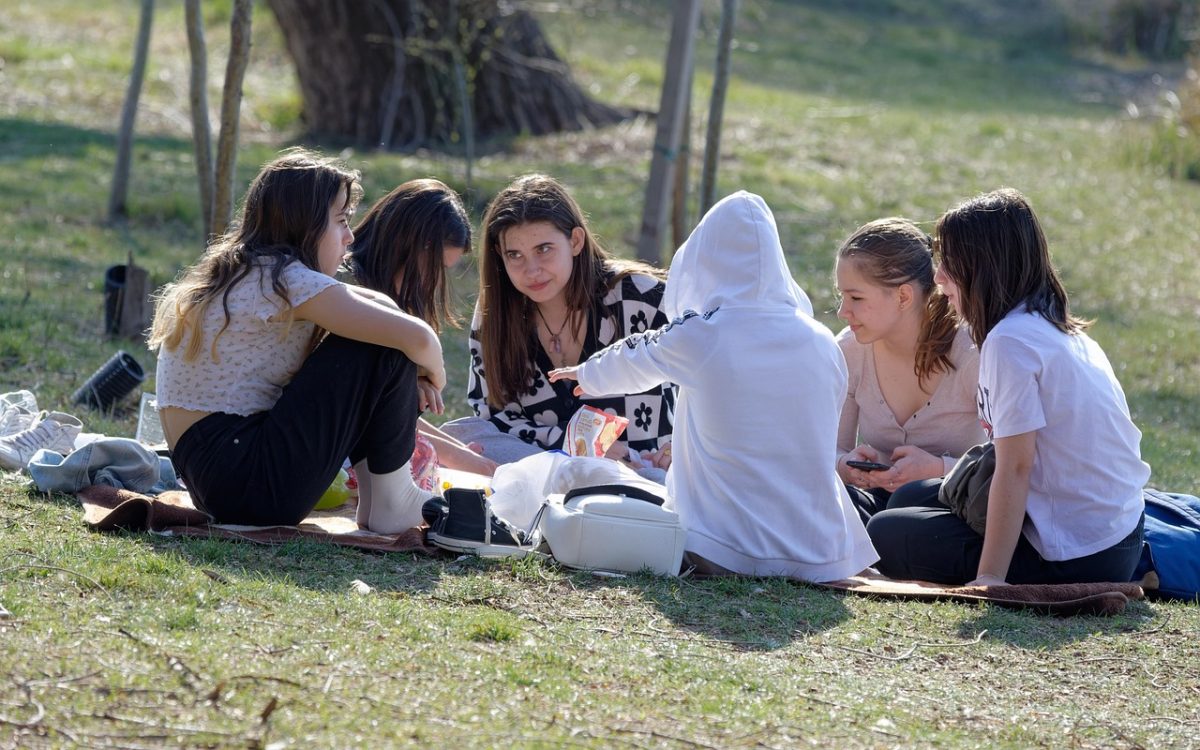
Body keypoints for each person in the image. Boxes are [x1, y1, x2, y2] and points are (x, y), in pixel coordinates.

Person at [550, 191, 878, 581]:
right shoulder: (821, 340)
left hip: (722, 549)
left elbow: (637, 358)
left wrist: (586, 374)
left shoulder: (704, 334)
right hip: (817, 553)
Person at [148, 149, 445, 534]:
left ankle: (381, 500)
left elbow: (385, 308)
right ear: (302, 227)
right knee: (382, 342)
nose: (350, 237)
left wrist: (410, 366)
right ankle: (393, 499)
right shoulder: (285, 278)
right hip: (248, 476)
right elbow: (417, 336)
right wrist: (432, 373)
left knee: (382, 333)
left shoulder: (250, 270)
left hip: (219, 479)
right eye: (340, 222)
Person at [867, 188, 1148, 585]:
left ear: (983, 266)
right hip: (1116, 535)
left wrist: (991, 578)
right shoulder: (1045, 324)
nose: (938, 276)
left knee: (886, 533)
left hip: (1077, 552)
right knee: (908, 498)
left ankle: (1002, 566)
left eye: (950, 261)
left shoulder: (1011, 342)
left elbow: (1016, 467)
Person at [446, 174, 675, 473]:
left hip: (641, 472)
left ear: (575, 241)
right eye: (514, 255)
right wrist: (577, 444)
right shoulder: (496, 313)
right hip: (548, 466)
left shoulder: (642, 298)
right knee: (459, 434)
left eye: (544, 249)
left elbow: (714, 380)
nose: (532, 270)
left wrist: (683, 448)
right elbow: (492, 416)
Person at [833, 218, 986, 523]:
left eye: (856, 298)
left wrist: (937, 470)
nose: (842, 312)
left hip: (954, 507)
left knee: (898, 516)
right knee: (827, 504)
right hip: (873, 503)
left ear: (903, 296)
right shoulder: (849, 350)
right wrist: (845, 465)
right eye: (841, 297)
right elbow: (833, 449)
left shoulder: (973, 353)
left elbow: (1010, 465)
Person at [346, 178, 498, 478]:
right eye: (434, 267)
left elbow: (387, 409)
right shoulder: (349, 294)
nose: (432, 282)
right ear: (405, 244)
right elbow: (368, 415)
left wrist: (459, 451)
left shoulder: (381, 291)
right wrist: (463, 459)